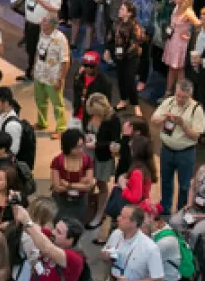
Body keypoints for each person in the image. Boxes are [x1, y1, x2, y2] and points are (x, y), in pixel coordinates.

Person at [150, 79, 205, 214]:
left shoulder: (196, 109)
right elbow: (154, 119)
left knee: (185, 185)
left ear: (190, 95)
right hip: (167, 149)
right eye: (178, 95)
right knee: (165, 180)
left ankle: (181, 210)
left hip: (185, 153)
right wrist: (164, 118)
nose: (179, 99)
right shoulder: (169, 101)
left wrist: (183, 124)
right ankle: (165, 207)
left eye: (184, 97)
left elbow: (196, 136)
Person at [12, 201, 88, 281]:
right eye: (55, 228)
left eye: (59, 232)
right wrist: (16, 206)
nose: (53, 232)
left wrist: (27, 221)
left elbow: (47, 248)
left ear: (70, 240)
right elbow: (33, 229)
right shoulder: (53, 237)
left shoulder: (74, 258)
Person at [18, 0, 63, 82]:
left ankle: (44, 75)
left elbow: (55, 8)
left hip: (44, 26)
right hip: (30, 22)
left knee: (44, 51)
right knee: (30, 48)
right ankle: (29, 72)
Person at [83, 93, 121, 229]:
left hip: (103, 157)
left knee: (101, 183)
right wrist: (86, 137)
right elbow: (85, 128)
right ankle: (88, 209)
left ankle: (99, 213)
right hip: (89, 154)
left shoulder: (113, 119)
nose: (93, 115)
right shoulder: (89, 113)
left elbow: (116, 143)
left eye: (95, 113)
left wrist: (98, 144)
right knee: (87, 180)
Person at [101, 204, 164, 281]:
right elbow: (106, 258)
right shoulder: (116, 234)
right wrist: (105, 257)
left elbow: (158, 278)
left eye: (123, 217)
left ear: (134, 223)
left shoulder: (150, 247)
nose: (118, 218)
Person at [31, 16, 70, 136]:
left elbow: (65, 61)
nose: (42, 22)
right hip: (40, 74)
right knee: (40, 100)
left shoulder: (60, 39)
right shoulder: (41, 34)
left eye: (45, 21)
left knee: (57, 104)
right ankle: (42, 122)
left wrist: (61, 78)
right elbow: (38, 52)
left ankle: (61, 128)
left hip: (53, 77)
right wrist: (34, 67)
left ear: (52, 24)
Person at [161, 0, 200, 98]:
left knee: (179, 70)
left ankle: (179, 95)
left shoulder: (188, 12)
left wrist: (189, 35)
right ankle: (168, 92)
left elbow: (198, 24)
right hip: (172, 40)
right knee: (171, 68)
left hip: (180, 43)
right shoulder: (176, 8)